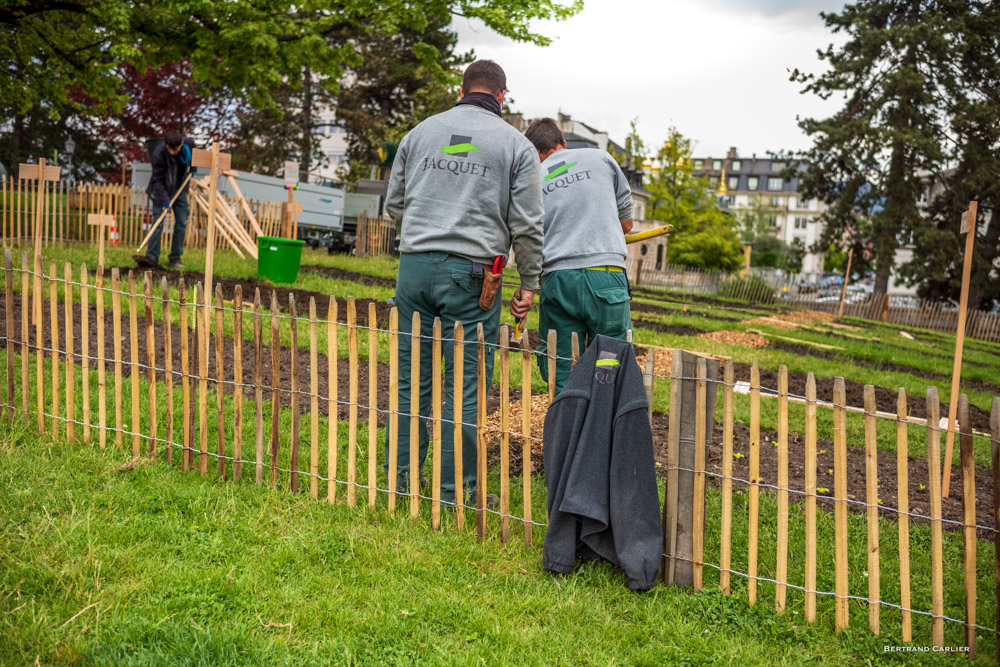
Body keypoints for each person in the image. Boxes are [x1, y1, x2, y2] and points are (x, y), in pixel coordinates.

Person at [385, 59, 544, 506]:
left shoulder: (420, 133)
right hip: (472, 277)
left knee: (410, 381)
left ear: (461, 90)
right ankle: (455, 493)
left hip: (413, 267)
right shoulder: (515, 145)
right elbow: (529, 225)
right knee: (465, 386)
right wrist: (529, 280)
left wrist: (425, 231)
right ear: (502, 96)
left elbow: (394, 205)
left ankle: (401, 484)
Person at [523, 117, 634, 394]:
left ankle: (564, 427)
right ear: (563, 143)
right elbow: (627, 224)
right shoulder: (601, 158)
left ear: (533, 153)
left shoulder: (531, 178)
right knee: (610, 361)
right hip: (604, 276)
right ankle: (602, 423)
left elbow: (528, 236)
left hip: (558, 278)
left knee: (558, 362)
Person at [139, 131, 195, 269]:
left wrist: (194, 167)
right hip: (161, 190)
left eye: (174, 149)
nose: (171, 152)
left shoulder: (189, 144)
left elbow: (195, 156)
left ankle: (175, 259)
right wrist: (164, 201)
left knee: (181, 221)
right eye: (169, 148)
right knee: (158, 222)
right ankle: (152, 257)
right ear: (166, 144)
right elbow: (157, 180)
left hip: (179, 188)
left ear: (181, 144)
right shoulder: (159, 154)